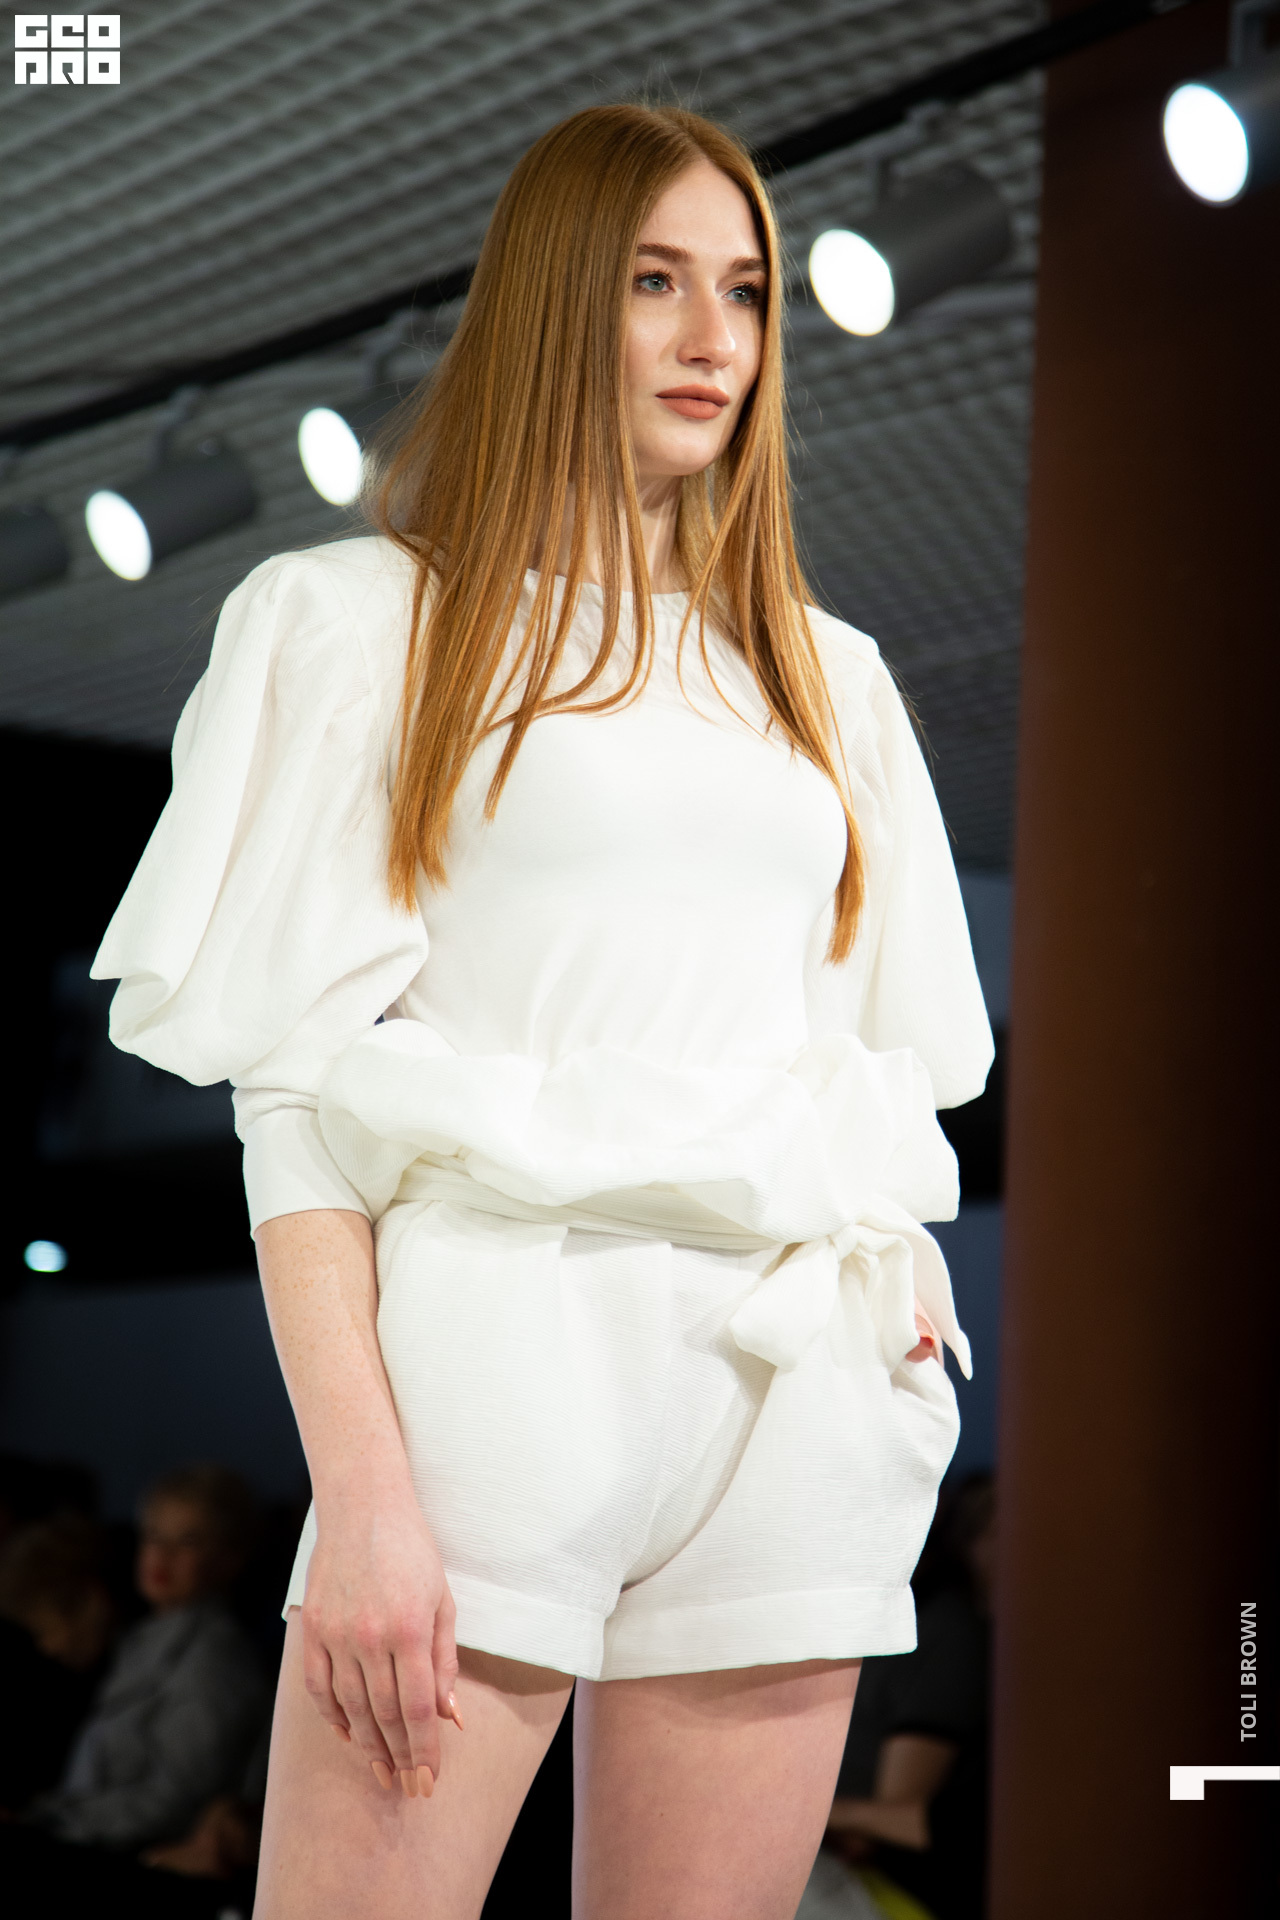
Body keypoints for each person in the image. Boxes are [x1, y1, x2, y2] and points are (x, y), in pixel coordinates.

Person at [91, 103, 993, 1920]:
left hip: (797, 1380)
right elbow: (299, 1098)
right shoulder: (362, 622)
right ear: (552, 300)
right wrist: (365, 1497)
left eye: (744, 288)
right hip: (502, 1353)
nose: (712, 335)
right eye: (654, 281)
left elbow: (866, 1049)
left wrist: (895, 1271)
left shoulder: (832, 678)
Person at [31, 1463, 269, 1852]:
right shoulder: (139, 1640)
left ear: (229, 1558)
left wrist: (47, 1823)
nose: (162, 1554)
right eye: (153, 1535)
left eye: (189, 1541)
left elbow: (176, 1802)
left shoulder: (216, 1658)